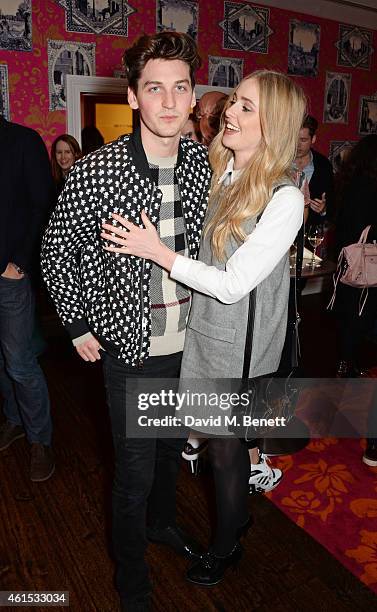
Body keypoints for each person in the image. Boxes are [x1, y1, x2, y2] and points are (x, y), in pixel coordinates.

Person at [102, 69, 306, 585]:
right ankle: (236, 520)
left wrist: (158, 254)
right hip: (205, 332)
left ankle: (225, 545)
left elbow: (235, 283)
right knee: (221, 445)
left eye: (246, 108)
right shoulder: (222, 170)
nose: (228, 114)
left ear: (275, 125)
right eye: (233, 102)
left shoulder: (285, 199)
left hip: (238, 345)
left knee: (225, 446)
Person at [41, 32, 211, 611]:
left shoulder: (202, 166)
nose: (169, 102)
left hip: (191, 346)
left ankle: (162, 525)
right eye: (154, 89)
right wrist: (78, 326)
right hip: (131, 348)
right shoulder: (96, 171)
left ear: (193, 97)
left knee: (170, 454)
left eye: (180, 88)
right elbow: (55, 253)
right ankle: (130, 573)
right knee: (134, 470)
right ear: (134, 97)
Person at [0, 116, 55, 482]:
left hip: (9, 276)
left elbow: (43, 207)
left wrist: (19, 262)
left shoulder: (21, 140)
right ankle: (14, 419)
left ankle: (41, 441)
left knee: (19, 361)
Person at [333, 134, 377, 382]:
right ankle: (348, 364)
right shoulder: (371, 186)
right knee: (361, 313)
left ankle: (344, 362)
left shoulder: (350, 180)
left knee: (348, 312)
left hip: (347, 256)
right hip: (367, 260)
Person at [295, 114, 334, 226]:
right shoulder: (280, 162)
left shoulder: (323, 165)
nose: (297, 145)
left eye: (303, 140)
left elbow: (332, 206)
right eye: (294, 139)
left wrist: (323, 209)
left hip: (309, 235)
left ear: (313, 139)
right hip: (279, 232)